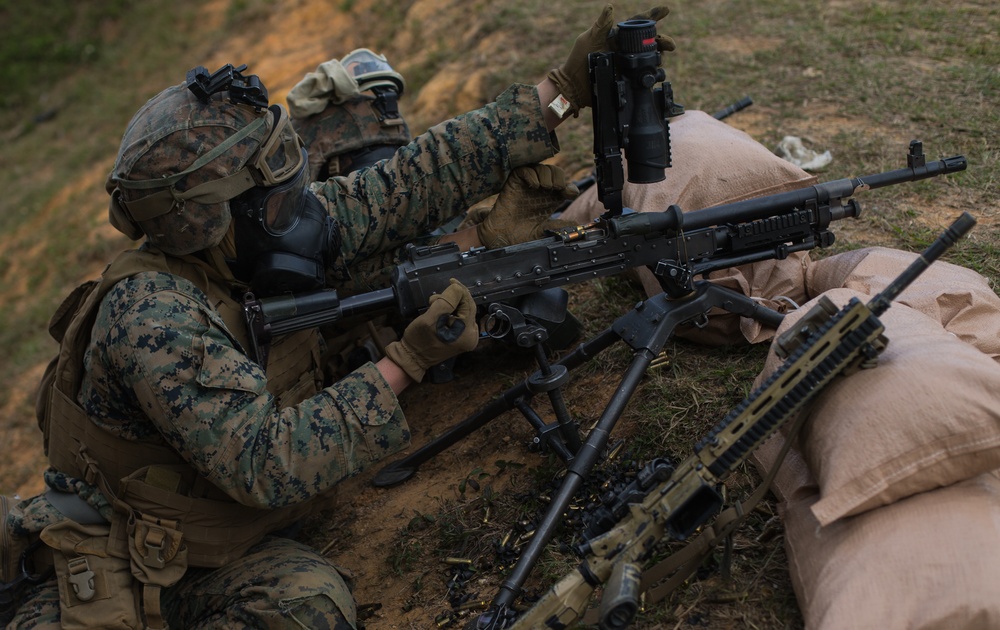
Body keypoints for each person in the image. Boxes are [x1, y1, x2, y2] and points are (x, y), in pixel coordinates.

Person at [1, 5, 676, 629]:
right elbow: (269, 463)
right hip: (112, 561)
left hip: (212, 540)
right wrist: (406, 362)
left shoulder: (239, 253)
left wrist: (562, 93)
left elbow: (407, 183)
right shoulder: (153, 318)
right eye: (271, 197)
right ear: (205, 218)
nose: (294, 210)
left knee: (309, 605)